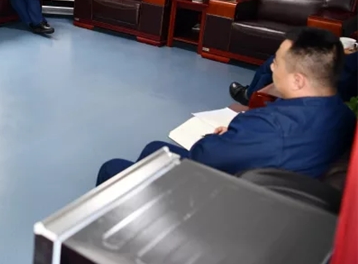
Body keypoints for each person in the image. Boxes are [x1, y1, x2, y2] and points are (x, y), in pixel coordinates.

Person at [96, 27, 356, 186]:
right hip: (270, 187)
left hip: (223, 198)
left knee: (111, 167)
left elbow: (203, 156)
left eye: (276, 62)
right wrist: (237, 138)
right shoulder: (343, 115)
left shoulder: (268, 127)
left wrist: (225, 136)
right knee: (154, 148)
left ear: (298, 80)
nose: (272, 67)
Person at [229, 44, 358, 104]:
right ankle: (251, 96)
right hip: (332, 72)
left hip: (326, 82)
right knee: (276, 61)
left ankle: (251, 98)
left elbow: (343, 76)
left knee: (277, 63)